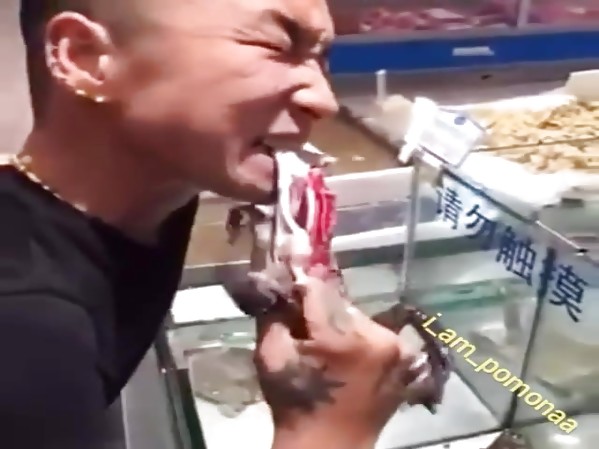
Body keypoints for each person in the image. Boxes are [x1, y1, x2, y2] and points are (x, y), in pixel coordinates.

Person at [1, 0, 433, 447]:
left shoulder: (158, 200)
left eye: (320, 59)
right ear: (85, 57)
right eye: (276, 46)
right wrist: (329, 429)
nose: (323, 101)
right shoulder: (25, 338)